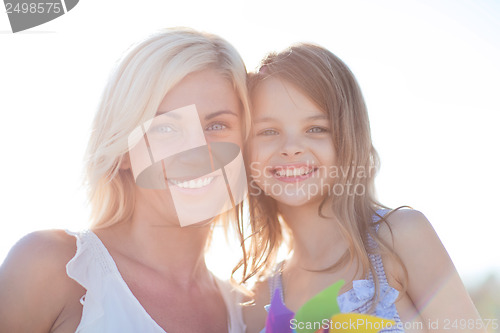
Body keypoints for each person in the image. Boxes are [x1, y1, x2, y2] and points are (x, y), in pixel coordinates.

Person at [0, 27, 250, 333]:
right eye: (166, 128)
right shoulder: (53, 268)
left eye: (217, 125)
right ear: (125, 152)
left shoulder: (248, 313)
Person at [241, 43, 485, 332]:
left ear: (348, 137)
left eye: (316, 128)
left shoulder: (400, 238)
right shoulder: (258, 298)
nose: (291, 148)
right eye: (268, 131)